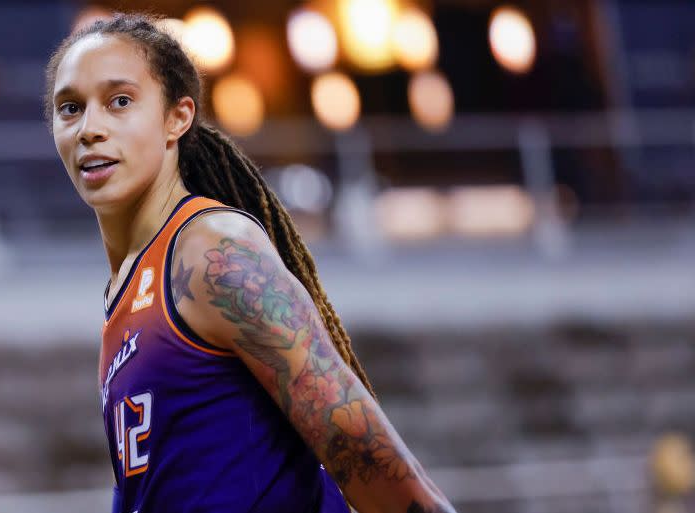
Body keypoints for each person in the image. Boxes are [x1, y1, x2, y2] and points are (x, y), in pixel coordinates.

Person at [44, 13, 456, 513]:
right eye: (70, 108)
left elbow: (366, 450)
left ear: (177, 117)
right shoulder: (124, 291)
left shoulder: (211, 253)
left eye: (120, 101)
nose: (90, 129)